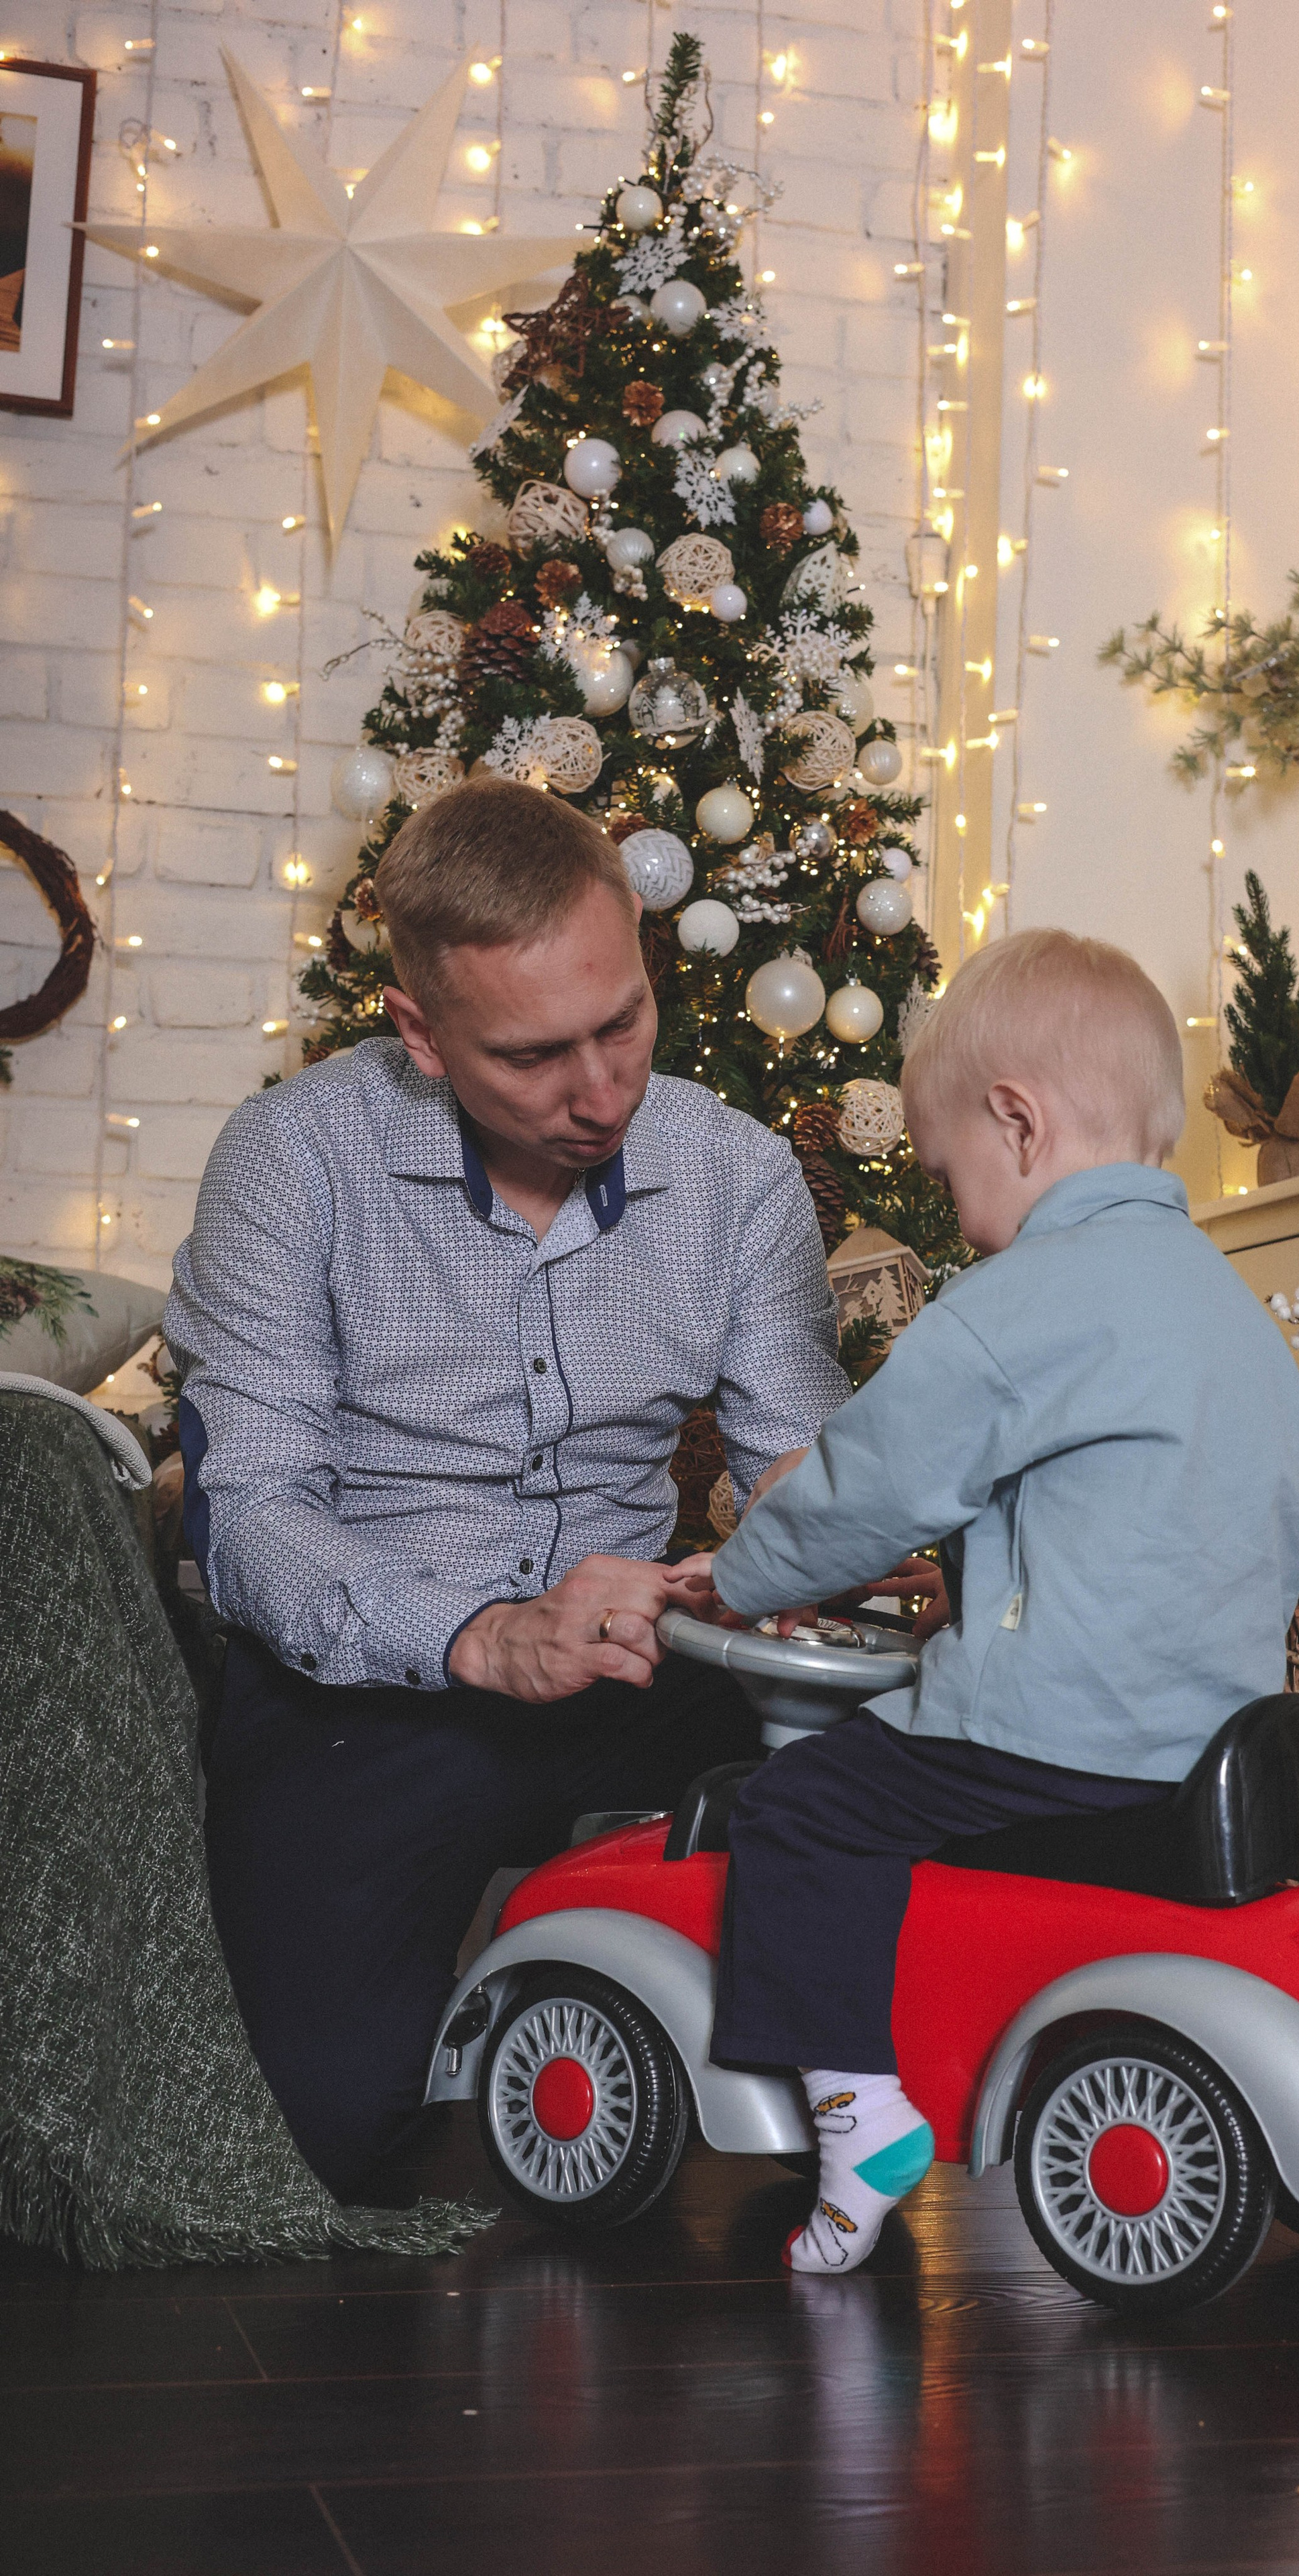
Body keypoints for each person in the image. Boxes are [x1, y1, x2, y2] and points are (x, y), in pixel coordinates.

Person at [165, 778, 850, 2194]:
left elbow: (792, 1462)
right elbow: (252, 1517)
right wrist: (480, 1634)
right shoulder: (292, 1162)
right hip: (365, 1688)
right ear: (418, 1033)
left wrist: (843, 1535)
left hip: (638, 1661)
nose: (601, 1094)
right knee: (328, 2131)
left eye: (623, 1025)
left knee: (869, 1942)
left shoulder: (737, 1175)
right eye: (536, 1057)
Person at [676, 928, 1299, 2275]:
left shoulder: (1013, 1301)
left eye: (944, 1163)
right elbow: (1134, 1517)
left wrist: (732, 1580)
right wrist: (968, 1564)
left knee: (799, 1808)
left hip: (1055, 1741)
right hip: (1205, 1749)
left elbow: (861, 1489)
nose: (946, 1197)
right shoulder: (1227, 1309)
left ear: (1013, 1123)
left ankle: (857, 2117)